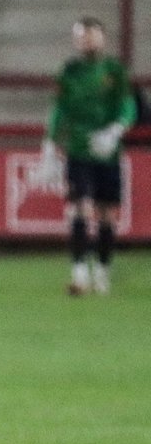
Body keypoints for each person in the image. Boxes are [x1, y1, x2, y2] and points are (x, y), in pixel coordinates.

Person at [40, 16, 136, 296]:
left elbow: (127, 105)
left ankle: (103, 270)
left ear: (102, 38)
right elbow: (59, 109)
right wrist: (49, 144)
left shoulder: (115, 70)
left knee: (107, 214)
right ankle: (79, 272)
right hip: (79, 150)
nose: (86, 41)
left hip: (107, 152)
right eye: (82, 36)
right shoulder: (68, 72)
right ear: (75, 40)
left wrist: (116, 130)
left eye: (91, 35)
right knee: (79, 207)